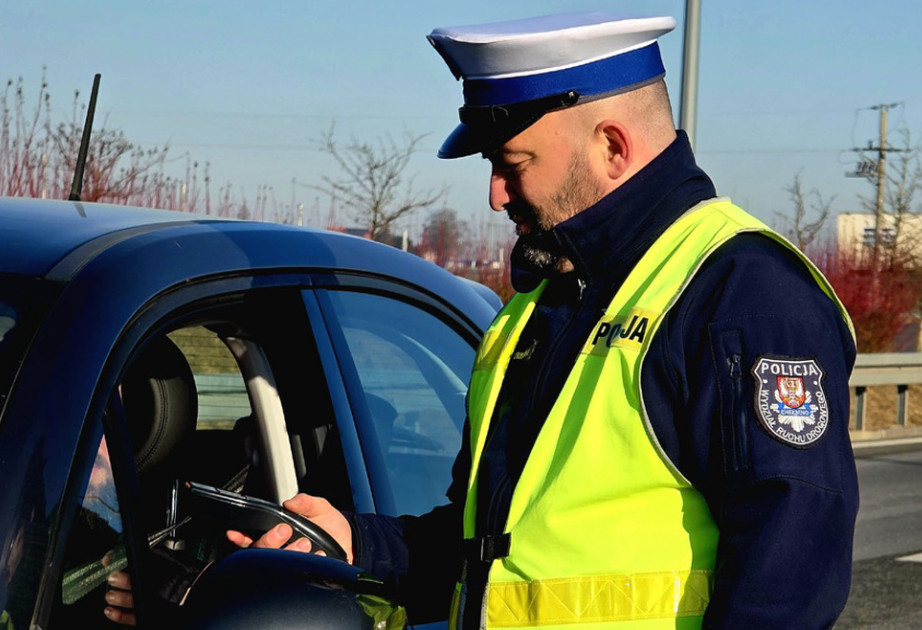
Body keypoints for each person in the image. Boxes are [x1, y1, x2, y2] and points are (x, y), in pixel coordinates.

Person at [233, 11, 859, 629]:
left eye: (514, 163)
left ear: (612, 147)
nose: (496, 194)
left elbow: (786, 586)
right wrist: (359, 544)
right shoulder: (540, 308)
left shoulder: (741, 292)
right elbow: (493, 553)